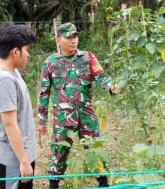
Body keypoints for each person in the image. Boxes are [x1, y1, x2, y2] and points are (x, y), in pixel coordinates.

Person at [37, 22, 120, 188]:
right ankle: (54, 184)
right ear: (58, 39)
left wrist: (112, 86)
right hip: (63, 118)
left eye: (75, 36)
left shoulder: (88, 57)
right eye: (69, 37)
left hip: (86, 115)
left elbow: (101, 76)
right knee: (59, 152)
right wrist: (41, 120)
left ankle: (103, 184)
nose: (73, 41)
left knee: (95, 151)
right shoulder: (51, 62)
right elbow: (43, 92)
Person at [0, 22, 37, 189]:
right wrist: (23, 161)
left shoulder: (12, 72)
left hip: (21, 154)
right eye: (26, 50)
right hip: (15, 159)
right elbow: (10, 124)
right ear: (15, 52)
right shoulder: (5, 81)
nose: (28, 55)